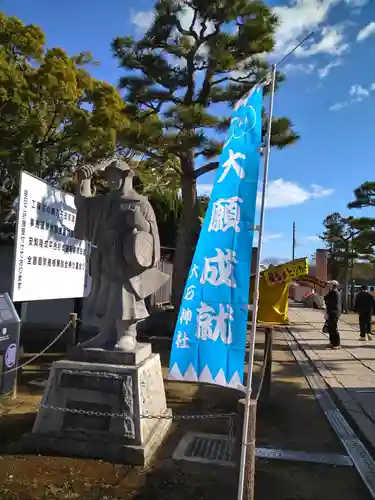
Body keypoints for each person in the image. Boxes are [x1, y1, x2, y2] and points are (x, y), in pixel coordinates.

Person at [324, 280, 341, 349]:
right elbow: (325, 298)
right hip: (331, 312)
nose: (328, 285)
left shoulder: (335, 292)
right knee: (330, 328)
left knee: (334, 328)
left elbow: (330, 302)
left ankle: (337, 344)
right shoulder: (331, 291)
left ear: (333, 285)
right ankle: (332, 342)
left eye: (329, 284)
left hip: (334, 312)